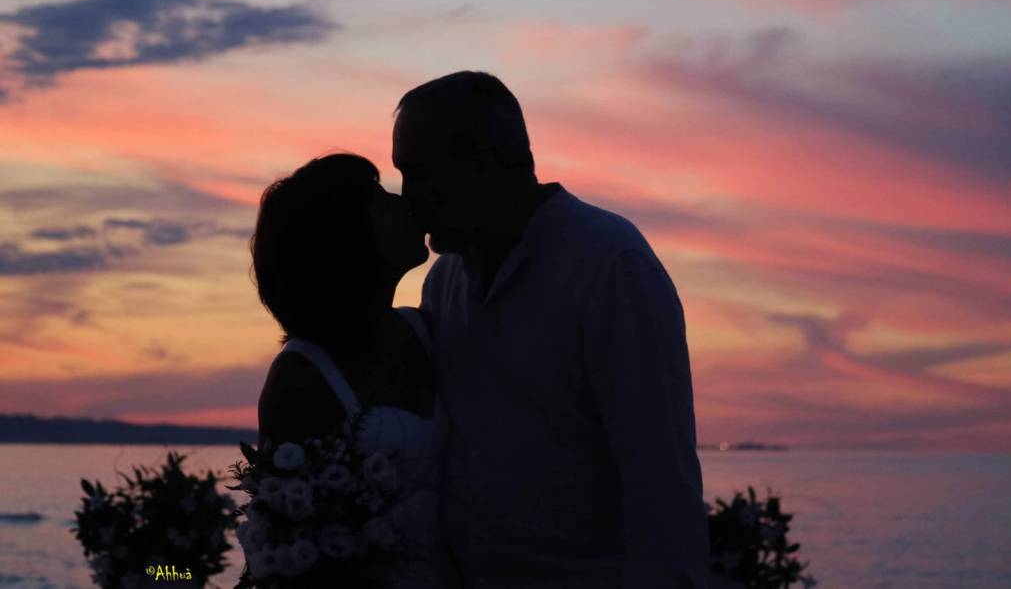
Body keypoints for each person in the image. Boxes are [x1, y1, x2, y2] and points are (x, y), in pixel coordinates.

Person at [392, 71, 710, 588]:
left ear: (486, 161)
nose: (410, 198)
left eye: (421, 173)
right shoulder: (443, 283)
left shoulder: (611, 267)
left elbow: (661, 485)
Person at [251, 152, 442, 588]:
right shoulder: (302, 379)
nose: (404, 202)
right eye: (379, 202)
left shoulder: (431, 328)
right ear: (346, 239)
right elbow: (287, 549)